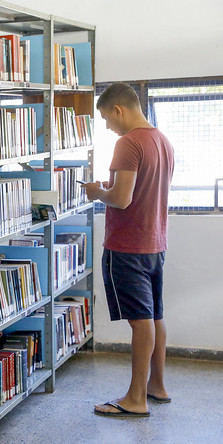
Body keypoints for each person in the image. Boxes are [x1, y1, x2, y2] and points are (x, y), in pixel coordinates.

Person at [83, 83, 174, 418]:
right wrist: (113, 189)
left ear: (118, 110)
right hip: (155, 242)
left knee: (140, 322)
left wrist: (97, 192)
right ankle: (157, 386)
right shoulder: (162, 140)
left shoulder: (128, 142)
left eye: (107, 119)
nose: (108, 127)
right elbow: (142, 191)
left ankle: (136, 398)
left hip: (127, 246)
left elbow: (121, 198)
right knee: (154, 316)